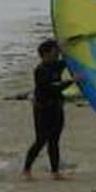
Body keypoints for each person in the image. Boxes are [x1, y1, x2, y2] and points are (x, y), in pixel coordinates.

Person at [22, 39, 75, 177]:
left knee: (54, 140)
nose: (57, 53)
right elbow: (52, 87)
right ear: (46, 54)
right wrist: (71, 81)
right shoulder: (40, 70)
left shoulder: (56, 65)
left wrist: (67, 46)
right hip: (43, 109)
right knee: (41, 140)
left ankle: (55, 171)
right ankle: (26, 169)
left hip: (56, 107)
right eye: (54, 50)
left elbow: (70, 59)